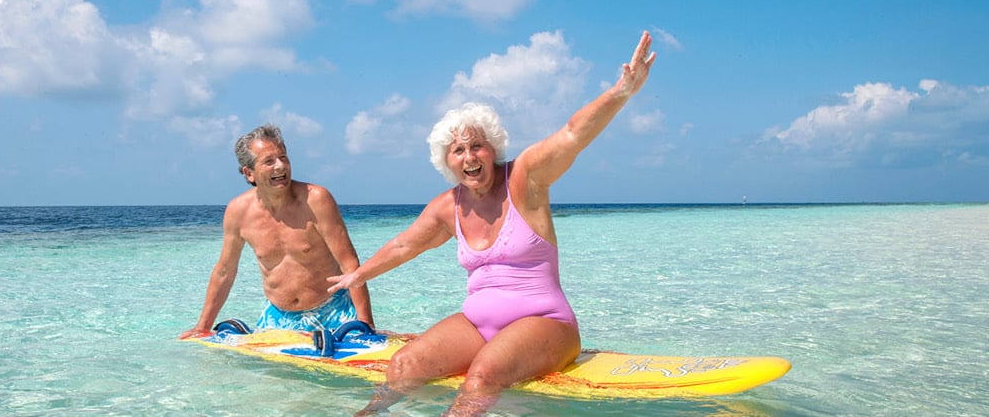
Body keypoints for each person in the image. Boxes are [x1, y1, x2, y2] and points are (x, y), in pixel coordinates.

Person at [327, 31, 657, 415]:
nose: (469, 156)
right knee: (403, 366)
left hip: (546, 324)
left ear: (493, 148)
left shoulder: (525, 178)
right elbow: (404, 245)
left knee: (481, 378)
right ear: (446, 161)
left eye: (477, 145)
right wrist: (358, 275)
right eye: (458, 150)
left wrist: (622, 91)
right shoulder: (447, 206)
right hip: (478, 327)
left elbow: (572, 134)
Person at [181, 124, 375, 338]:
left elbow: (350, 264)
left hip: (334, 311)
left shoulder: (316, 200)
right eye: (269, 161)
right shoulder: (238, 212)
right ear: (249, 173)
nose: (280, 167)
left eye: (284, 158)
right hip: (277, 319)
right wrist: (203, 327)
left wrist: (365, 326)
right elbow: (225, 271)